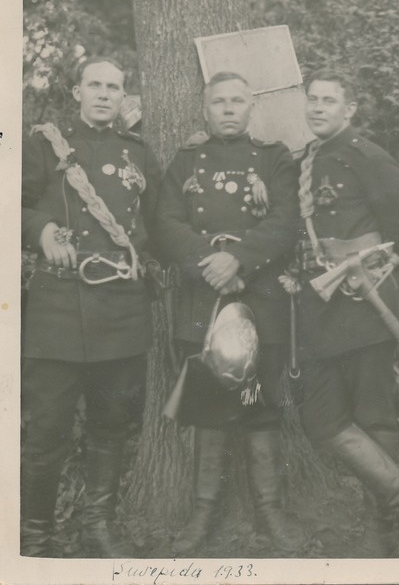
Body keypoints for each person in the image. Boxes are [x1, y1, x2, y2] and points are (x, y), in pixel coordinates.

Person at [296, 68, 399, 557]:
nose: (318, 107)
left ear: (350, 109)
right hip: (323, 310)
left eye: (329, 100)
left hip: (369, 309)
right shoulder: (307, 162)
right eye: (313, 99)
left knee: (374, 416)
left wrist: (393, 293)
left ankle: (379, 534)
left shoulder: (369, 157)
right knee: (320, 418)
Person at [157, 71, 306, 555]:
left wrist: (238, 260)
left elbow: (286, 222)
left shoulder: (274, 157)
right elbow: (166, 223)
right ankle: (202, 516)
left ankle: (271, 512)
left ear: (251, 108)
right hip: (204, 298)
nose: (227, 109)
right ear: (204, 109)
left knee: (261, 406)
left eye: (237, 101)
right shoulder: (184, 161)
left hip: (260, 297)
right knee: (208, 408)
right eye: (218, 101)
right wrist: (212, 263)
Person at [21, 57, 161, 558]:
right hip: (57, 306)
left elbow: (162, 223)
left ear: (125, 97)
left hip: (121, 307)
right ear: (76, 91)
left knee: (110, 424)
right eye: (95, 85)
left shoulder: (138, 153)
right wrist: (38, 229)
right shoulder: (44, 145)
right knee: (48, 431)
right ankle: (35, 538)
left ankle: (95, 528)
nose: (104, 94)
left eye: (114, 87)